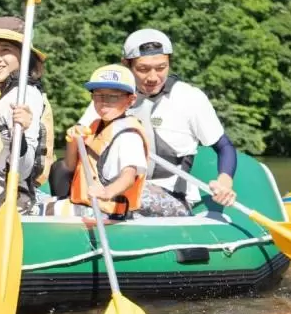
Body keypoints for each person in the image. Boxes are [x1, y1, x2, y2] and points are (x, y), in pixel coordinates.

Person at [52, 29, 238, 216]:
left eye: (161, 67)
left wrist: (224, 181)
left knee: (127, 195)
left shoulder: (190, 98)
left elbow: (224, 147)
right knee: (59, 169)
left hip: (169, 193)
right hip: (110, 185)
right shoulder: (110, 97)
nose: (152, 77)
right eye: (143, 69)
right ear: (127, 64)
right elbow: (80, 145)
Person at [0, 16, 51, 213]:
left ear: (24, 57)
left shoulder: (25, 95)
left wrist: (22, 137)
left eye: (5, 50)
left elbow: (25, 165)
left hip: (8, 194)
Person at [50, 65, 149, 219]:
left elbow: (128, 176)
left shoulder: (129, 135)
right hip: (85, 204)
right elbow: (69, 166)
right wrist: (73, 143)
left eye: (113, 97)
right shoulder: (95, 126)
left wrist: (106, 192)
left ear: (131, 100)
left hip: (107, 211)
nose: (104, 102)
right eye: (98, 95)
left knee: (36, 211)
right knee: (56, 169)